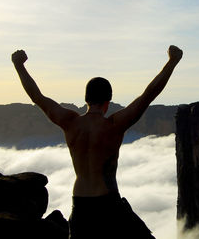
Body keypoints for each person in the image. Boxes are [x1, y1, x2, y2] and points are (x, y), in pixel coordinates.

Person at [11, 45, 183, 238]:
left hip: (80, 204)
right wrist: (172, 62)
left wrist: (19, 66)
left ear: (86, 99)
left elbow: (37, 96)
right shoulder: (114, 126)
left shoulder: (70, 122)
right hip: (109, 204)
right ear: (108, 102)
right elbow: (148, 95)